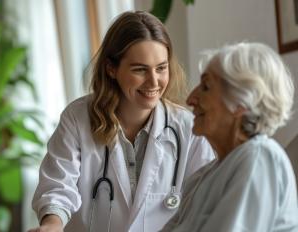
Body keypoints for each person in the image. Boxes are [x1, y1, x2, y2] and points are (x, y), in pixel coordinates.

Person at [29, 11, 214, 232]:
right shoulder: (77, 119)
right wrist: (52, 224)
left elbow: (206, 199)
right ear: (111, 68)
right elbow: (59, 185)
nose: (154, 81)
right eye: (140, 70)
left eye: (161, 68)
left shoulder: (187, 127)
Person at [160, 42, 298, 232]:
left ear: (241, 102)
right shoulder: (203, 177)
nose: (191, 99)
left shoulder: (259, 158)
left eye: (206, 87)